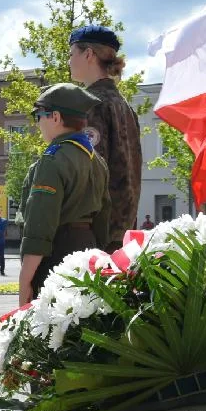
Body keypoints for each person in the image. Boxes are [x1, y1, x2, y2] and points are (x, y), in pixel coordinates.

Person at [19, 84, 112, 305]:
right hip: (88, 256)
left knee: (52, 332)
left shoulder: (53, 160)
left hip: (56, 257)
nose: (38, 122)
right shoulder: (97, 161)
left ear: (56, 117)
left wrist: (25, 280)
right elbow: (104, 220)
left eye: (38, 115)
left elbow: (40, 226)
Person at [68, 25, 140, 251]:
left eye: (72, 54)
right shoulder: (125, 106)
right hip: (122, 232)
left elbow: (89, 174)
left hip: (95, 236)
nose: (69, 61)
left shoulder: (91, 104)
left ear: (88, 54)